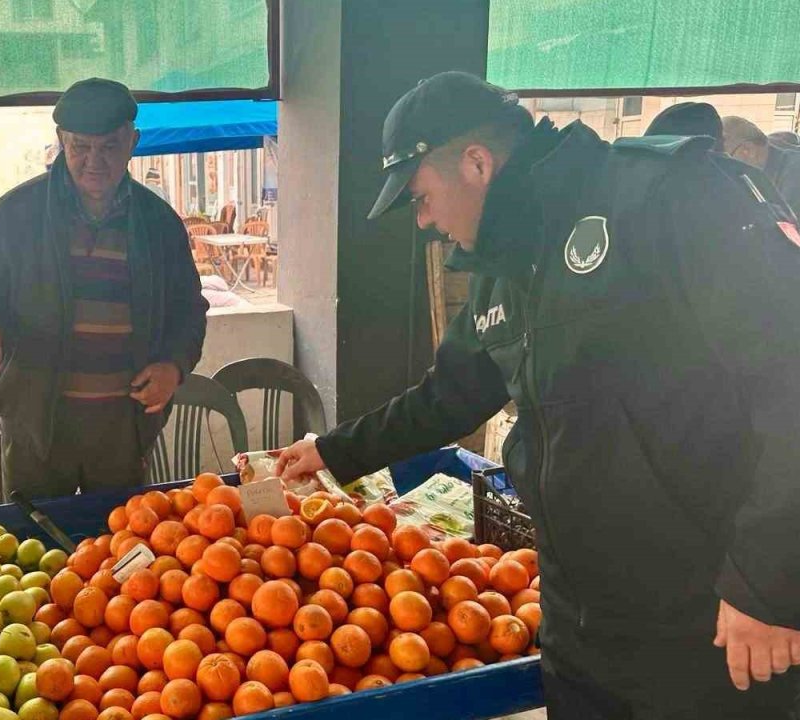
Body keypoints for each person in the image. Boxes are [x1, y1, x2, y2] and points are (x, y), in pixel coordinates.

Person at [273, 71, 800, 718]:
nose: (425, 221)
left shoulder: (666, 197)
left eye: (421, 197)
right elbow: (451, 395)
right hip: (581, 623)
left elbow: (789, 377)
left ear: (476, 163)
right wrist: (333, 450)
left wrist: (769, 585)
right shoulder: (505, 263)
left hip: (708, 619)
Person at [0, 78, 209, 499]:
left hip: (122, 428)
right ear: (61, 141)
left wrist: (174, 366)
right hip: (37, 422)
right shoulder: (17, 214)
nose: (95, 161)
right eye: (81, 147)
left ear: (132, 140)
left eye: (108, 147)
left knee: (120, 548)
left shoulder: (159, 223)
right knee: (34, 547)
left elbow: (189, 310)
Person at [645, 103, 796, 218]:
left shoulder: (794, 176)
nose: (720, 166)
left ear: (747, 151)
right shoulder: (767, 171)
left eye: (725, 156)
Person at [722, 116, 800, 216]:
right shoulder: (763, 172)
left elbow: (788, 226)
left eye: (726, 158)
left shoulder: (794, 173)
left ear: (748, 150)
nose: (724, 166)